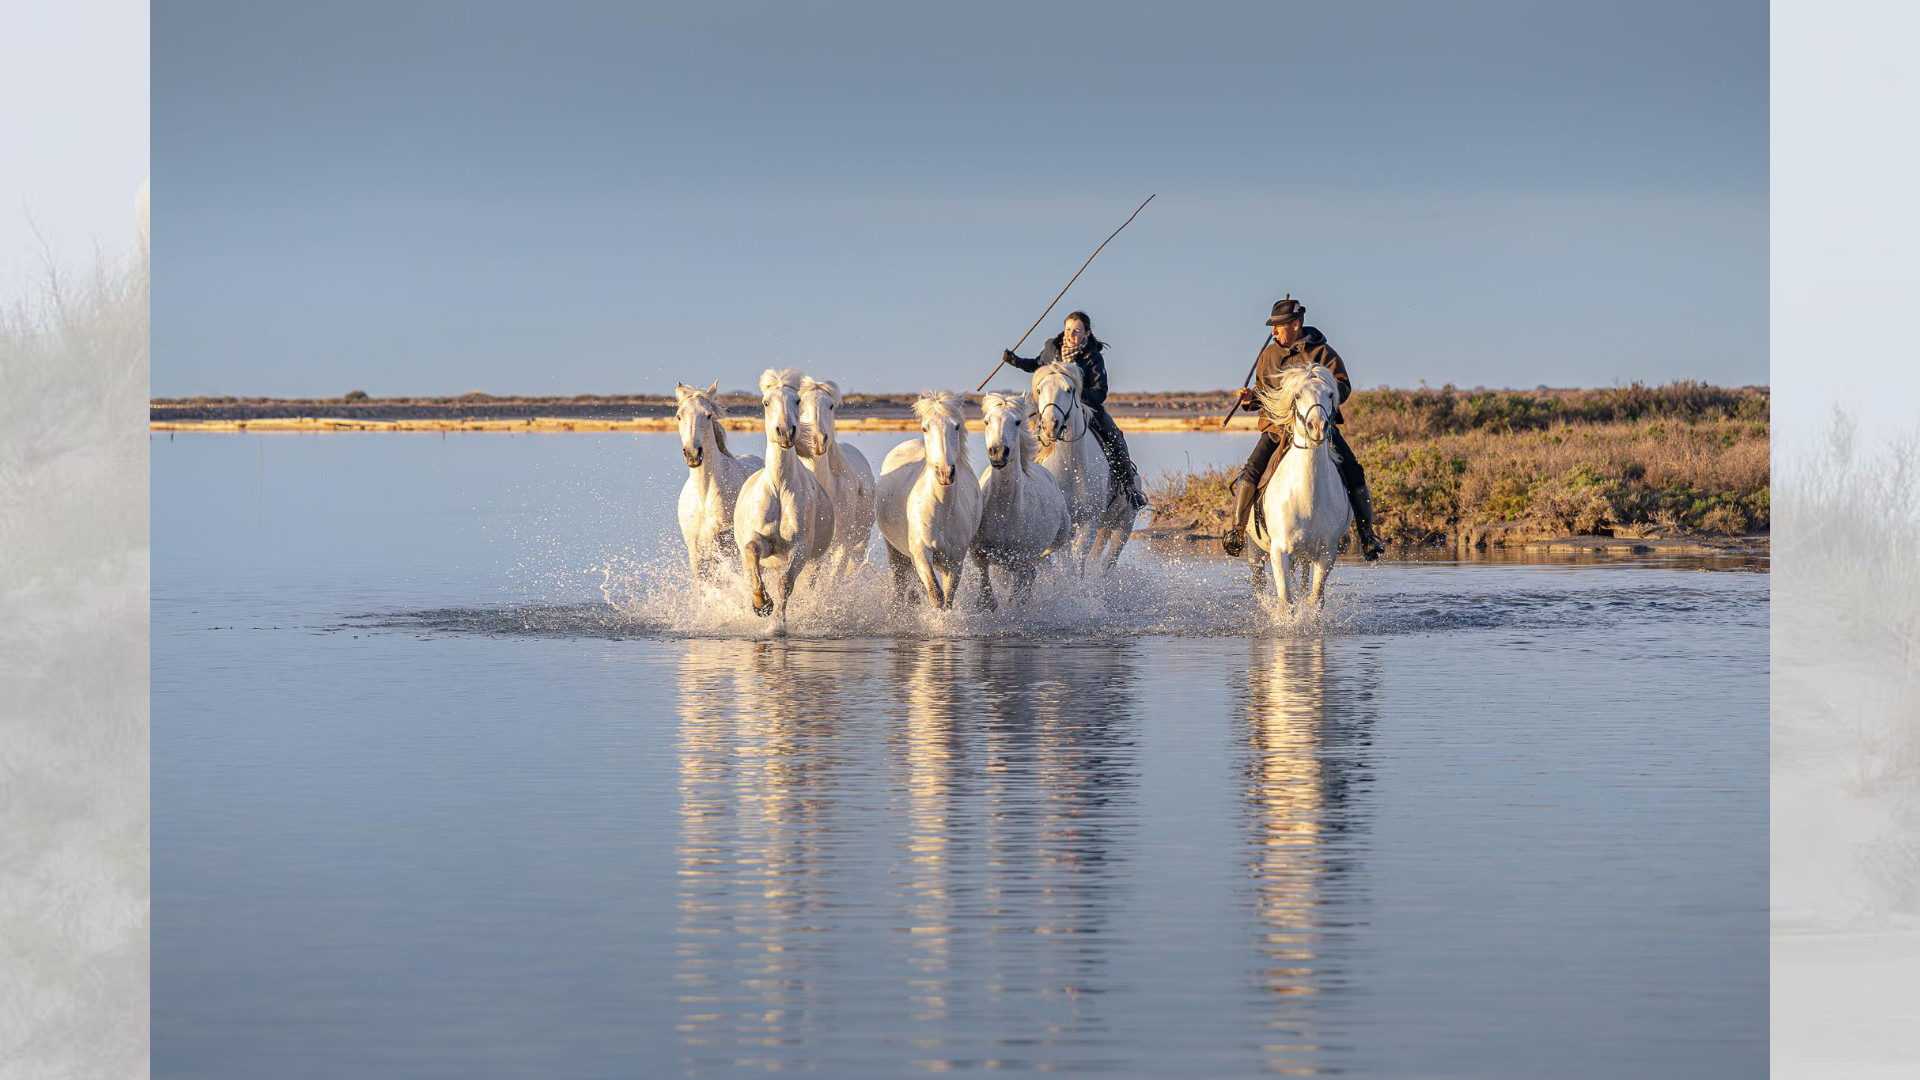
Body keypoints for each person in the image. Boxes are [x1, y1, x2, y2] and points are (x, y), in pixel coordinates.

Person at [1223, 296, 1386, 560]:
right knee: (1251, 470)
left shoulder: (1323, 353)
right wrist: (1249, 399)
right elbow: (1263, 391)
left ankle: (1368, 534)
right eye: (1272, 327)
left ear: (1295, 324)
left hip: (1319, 427)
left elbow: (1342, 386)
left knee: (1354, 471)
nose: (1274, 331)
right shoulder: (1269, 354)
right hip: (1277, 428)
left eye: (1278, 326)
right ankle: (1237, 530)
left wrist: (1322, 395)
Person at [1001, 311, 1148, 510]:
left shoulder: (1093, 357)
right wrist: (1015, 360)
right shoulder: (1052, 349)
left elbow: (1100, 393)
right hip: (1056, 410)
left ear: (1086, 334)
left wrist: (1072, 396)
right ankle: (1022, 486)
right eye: (1068, 329)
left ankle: (1130, 489)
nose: (1071, 335)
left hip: (1088, 410)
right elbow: (1037, 365)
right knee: (1031, 442)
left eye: (1077, 331)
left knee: (1115, 437)